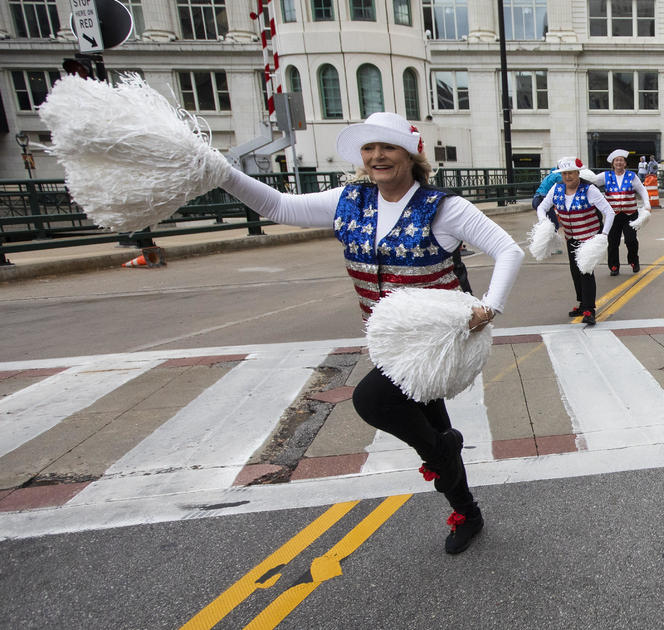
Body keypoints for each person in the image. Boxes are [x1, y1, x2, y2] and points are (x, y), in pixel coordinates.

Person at [218, 112, 524, 555]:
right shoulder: (351, 199)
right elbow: (277, 207)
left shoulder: (444, 206)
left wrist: (489, 307)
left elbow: (507, 249)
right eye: (369, 149)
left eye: (388, 148)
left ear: (410, 155)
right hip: (391, 342)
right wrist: (222, 172)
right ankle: (465, 506)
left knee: (372, 400)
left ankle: (444, 450)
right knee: (430, 423)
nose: (377, 156)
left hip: (437, 341)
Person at [536, 156, 615, 325]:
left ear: (578, 173)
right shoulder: (556, 189)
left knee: (586, 272)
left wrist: (604, 235)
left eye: (571, 173)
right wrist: (544, 223)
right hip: (571, 237)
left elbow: (609, 212)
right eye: (564, 174)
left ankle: (589, 310)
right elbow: (542, 207)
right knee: (575, 271)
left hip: (589, 238)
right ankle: (582, 303)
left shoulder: (589, 190)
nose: (568, 177)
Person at [601, 149, 651, 276]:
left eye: (621, 160)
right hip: (613, 215)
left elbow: (642, 190)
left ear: (625, 163)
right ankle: (613, 266)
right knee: (613, 241)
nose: (619, 163)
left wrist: (647, 204)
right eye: (616, 160)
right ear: (613, 164)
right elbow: (591, 182)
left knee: (631, 240)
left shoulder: (631, 176)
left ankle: (634, 260)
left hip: (630, 214)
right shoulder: (605, 176)